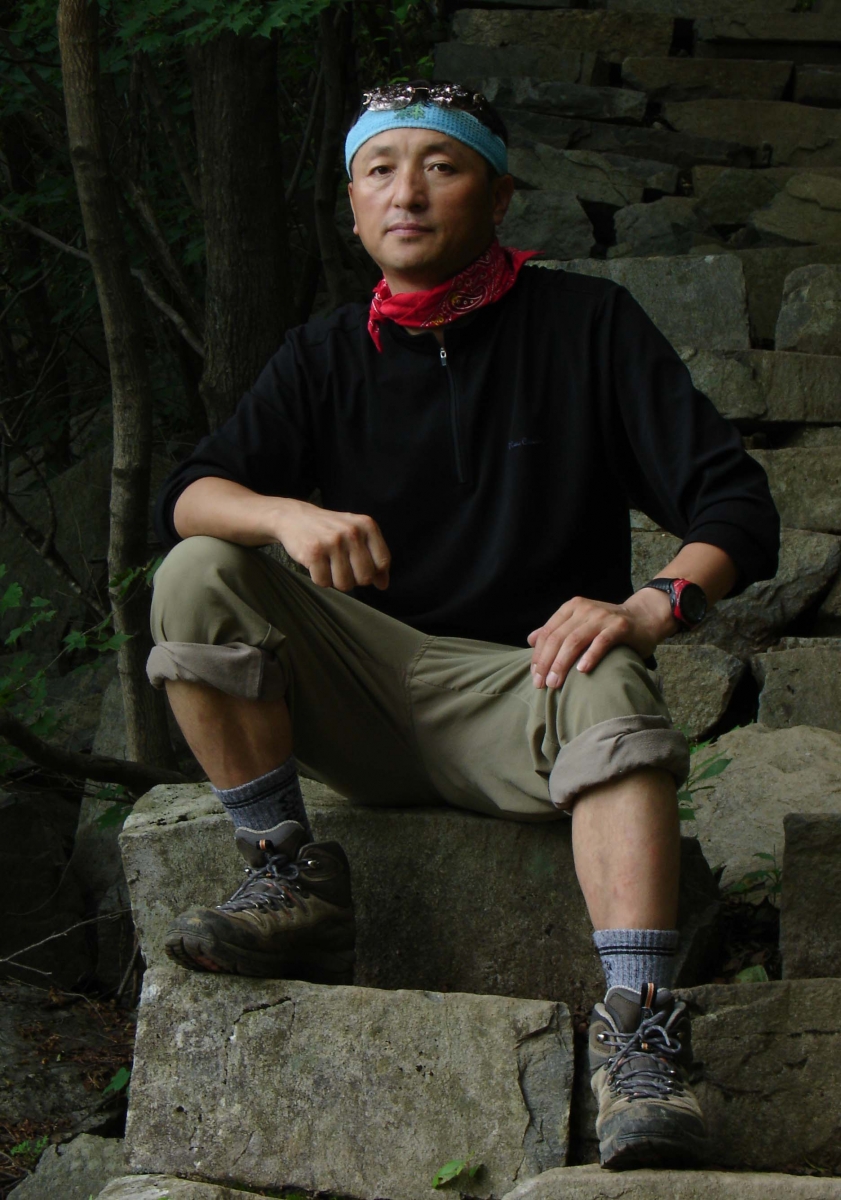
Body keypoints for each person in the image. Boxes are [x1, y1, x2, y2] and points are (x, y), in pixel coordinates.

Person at [147, 82, 779, 1171]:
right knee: (200, 567)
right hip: (363, 691)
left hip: (526, 695)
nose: (406, 192)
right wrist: (285, 515)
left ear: (497, 195)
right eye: (378, 170)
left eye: (439, 166)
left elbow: (734, 504)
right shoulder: (322, 354)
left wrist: (647, 604)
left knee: (609, 672)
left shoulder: (586, 325)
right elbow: (192, 493)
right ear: (353, 205)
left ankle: (641, 1041)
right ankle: (290, 875)